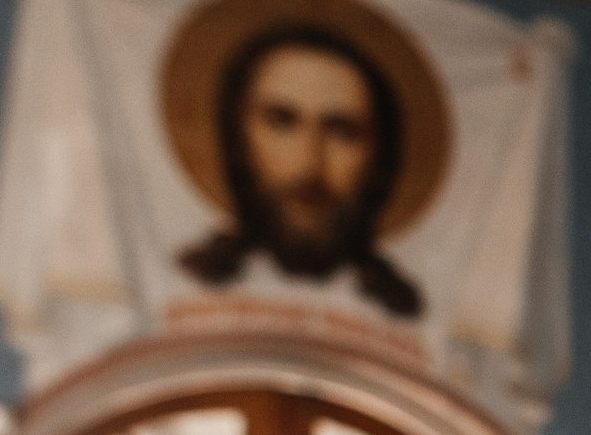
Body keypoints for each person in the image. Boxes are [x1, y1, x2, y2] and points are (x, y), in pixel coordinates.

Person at [180, 25, 422, 317]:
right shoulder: (190, 278)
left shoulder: (396, 304)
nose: (310, 163)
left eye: (343, 132)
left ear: (379, 156)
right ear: (238, 138)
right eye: (282, 122)